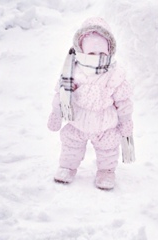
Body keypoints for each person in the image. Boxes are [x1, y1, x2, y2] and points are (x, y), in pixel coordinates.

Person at [47, 17, 133, 190]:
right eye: (92, 53)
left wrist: (126, 124)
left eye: (102, 53)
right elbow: (61, 93)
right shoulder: (72, 70)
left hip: (105, 125)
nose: (97, 57)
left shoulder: (115, 74)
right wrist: (56, 114)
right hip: (77, 122)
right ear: (82, 51)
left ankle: (106, 171)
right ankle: (67, 167)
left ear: (110, 50)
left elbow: (124, 102)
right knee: (70, 145)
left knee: (108, 149)